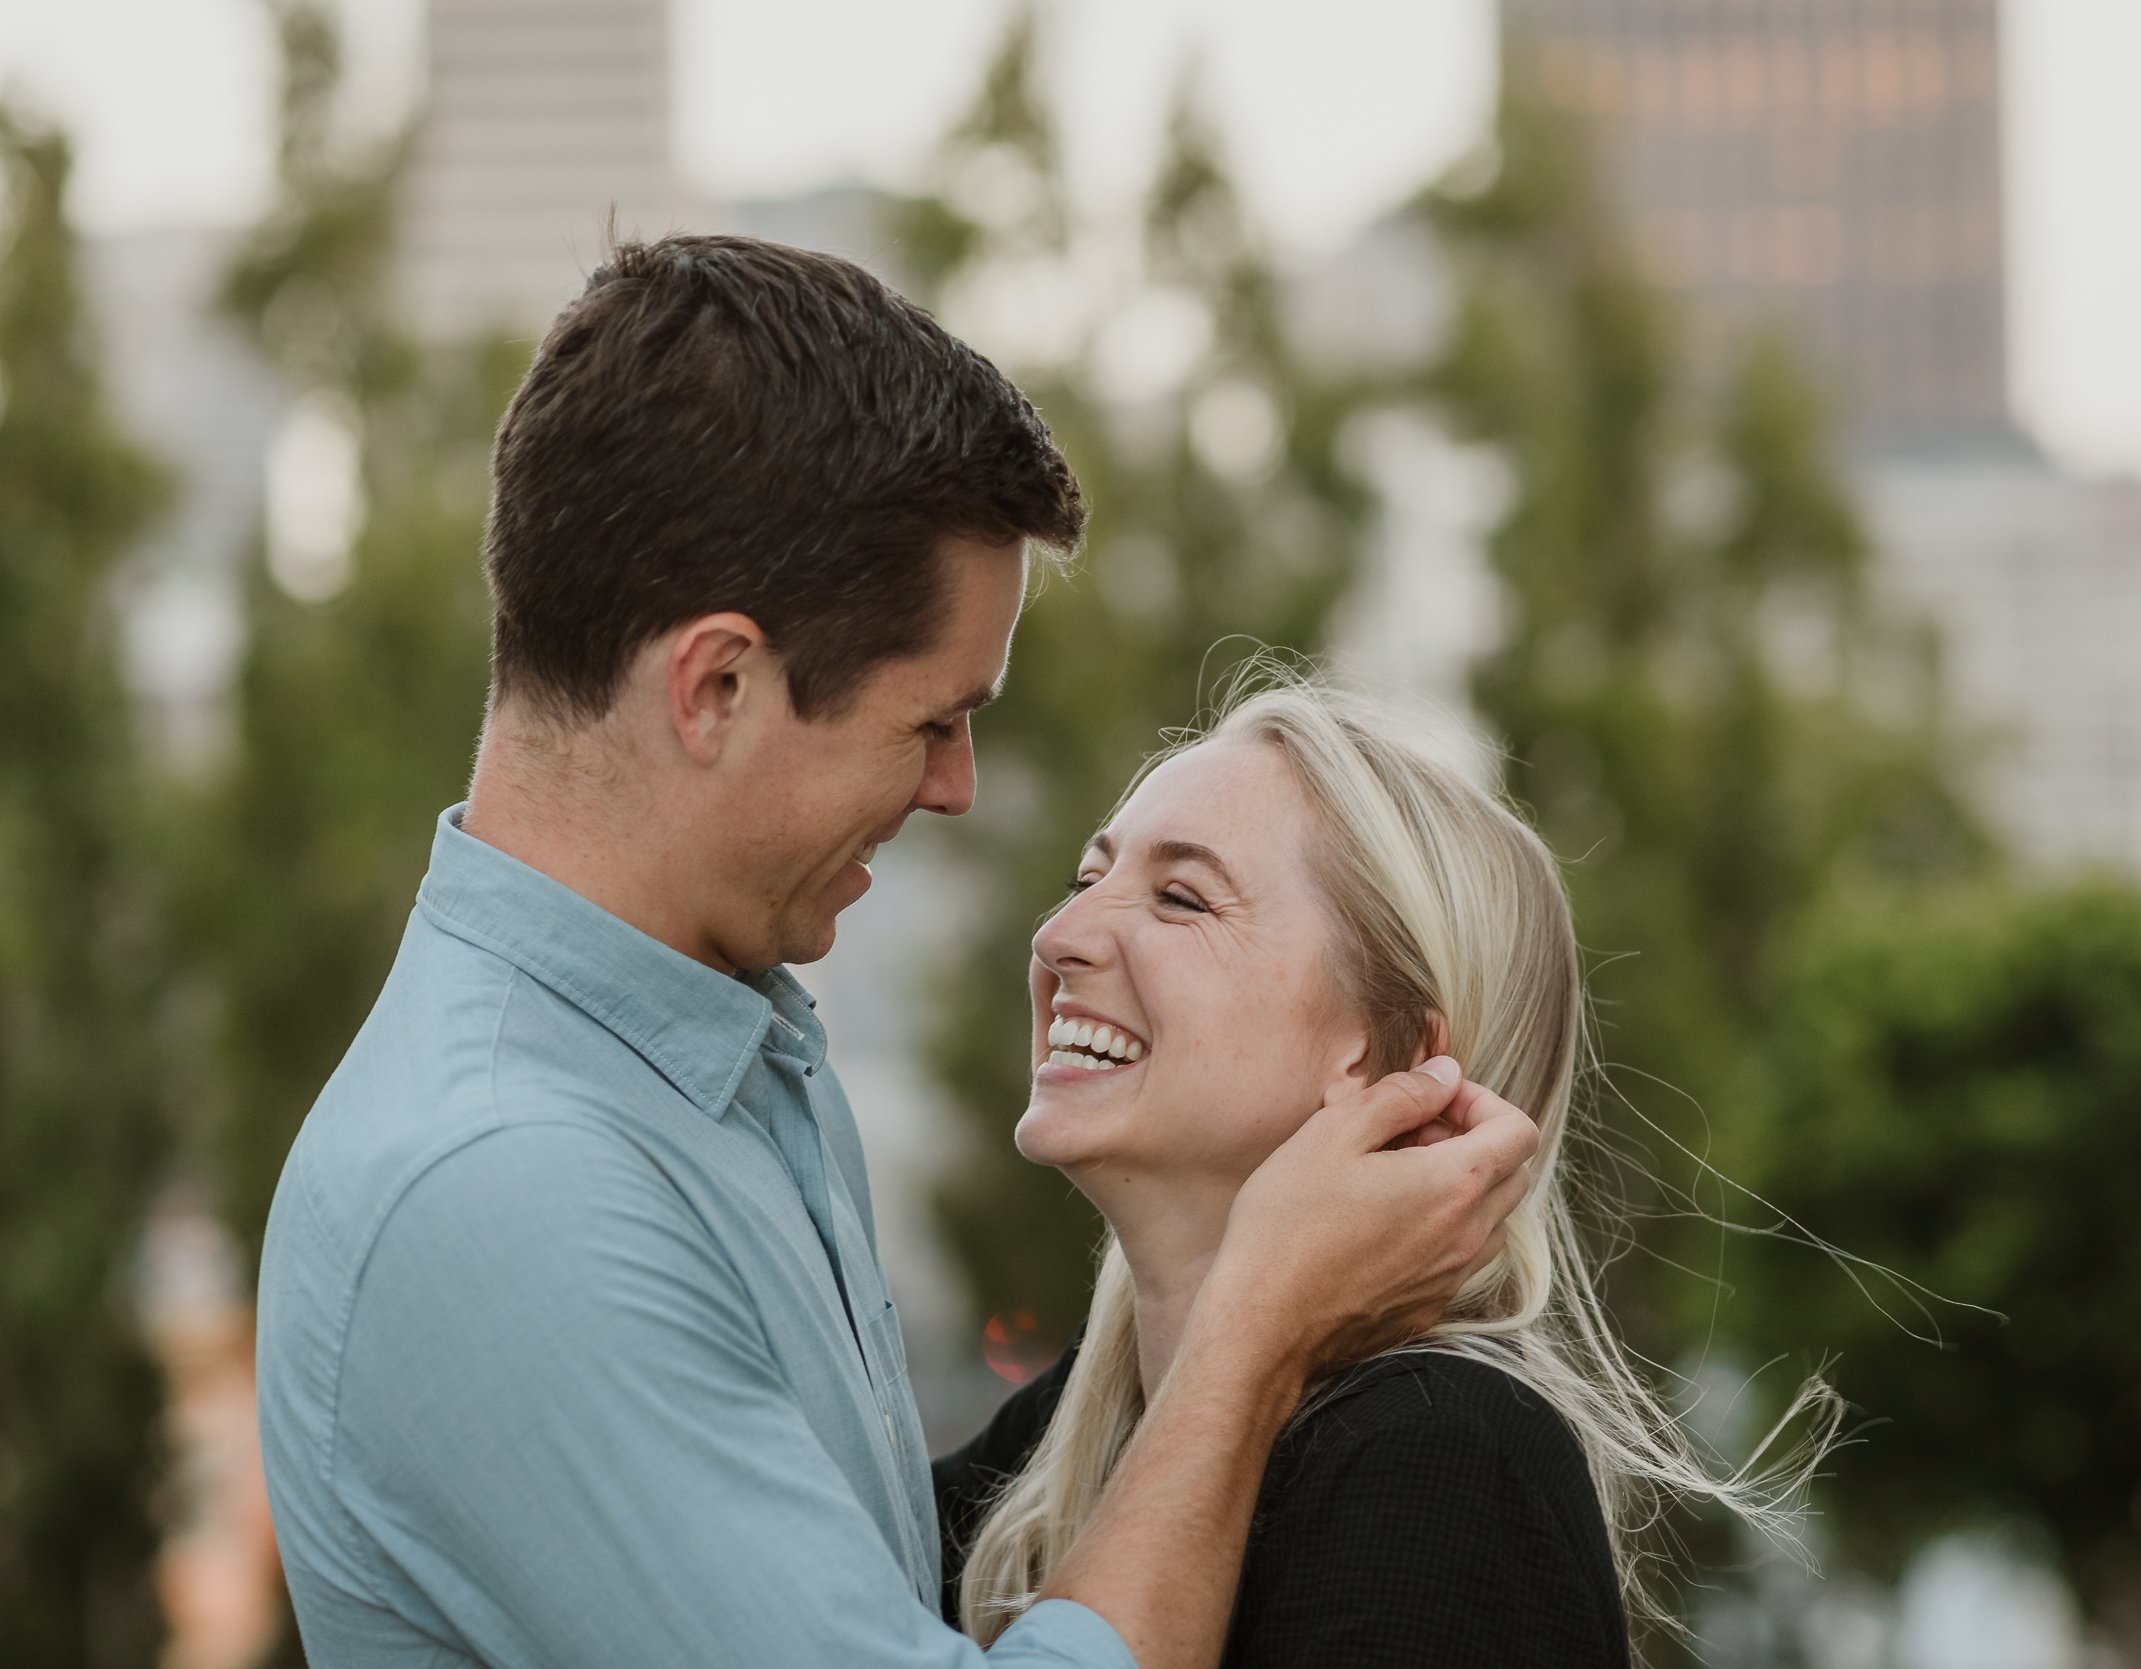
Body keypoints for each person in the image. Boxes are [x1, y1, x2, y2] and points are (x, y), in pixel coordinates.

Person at [253, 235, 1541, 1669]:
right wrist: (1250, 1334)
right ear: (719, 685)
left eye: (1185, 897)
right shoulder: (512, 1184)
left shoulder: (718, 1074)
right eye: (932, 720)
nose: (957, 786)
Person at [938, 680, 1840, 1666]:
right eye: (1085, 878)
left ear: (1392, 1062)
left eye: (1181, 897)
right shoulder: (1060, 1437)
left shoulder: (1444, 1453)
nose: (1057, 937)